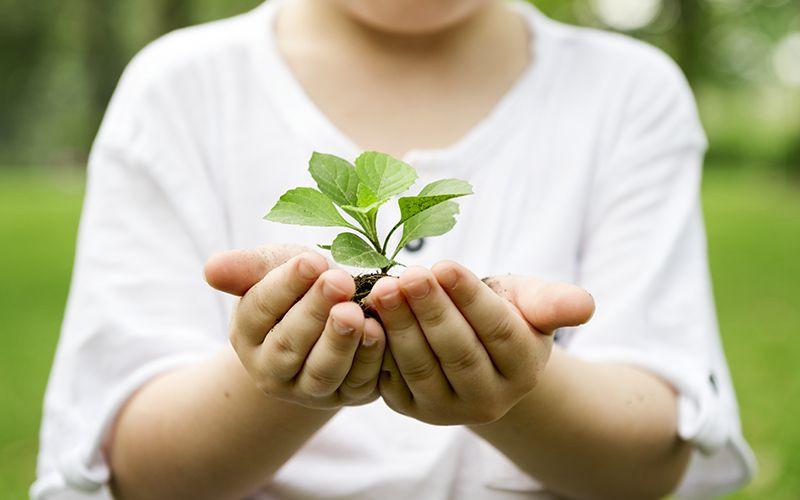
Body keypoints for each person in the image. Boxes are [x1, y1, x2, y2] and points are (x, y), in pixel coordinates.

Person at [32, 0, 755, 498]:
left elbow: (648, 458)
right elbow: (137, 473)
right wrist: (279, 376)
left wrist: (521, 382)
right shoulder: (177, 91)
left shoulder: (629, 92)